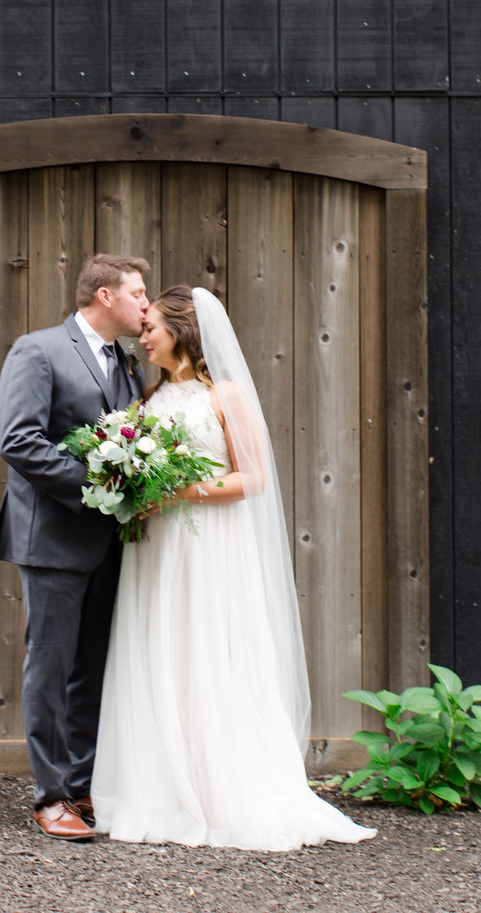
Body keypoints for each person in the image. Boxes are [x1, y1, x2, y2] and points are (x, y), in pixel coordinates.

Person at [92, 284, 376, 852]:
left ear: (182, 331)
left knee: (208, 653)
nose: (142, 337)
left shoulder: (225, 395)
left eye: (151, 328)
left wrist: (179, 491)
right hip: (158, 551)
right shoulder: (148, 399)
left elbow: (253, 478)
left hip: (210, 548)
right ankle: (163, 786)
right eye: (142, 328)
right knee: (161, 653)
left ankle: (223, 788)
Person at [0, 253, 150, 841]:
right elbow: (19, 440)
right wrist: (98, 490)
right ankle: (49, 795)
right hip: (54, 536)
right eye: (137, 293)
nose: (145, 305)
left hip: (112, 544)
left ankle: (81, 787)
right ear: (105, 296)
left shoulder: (127, 365)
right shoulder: (39, 350)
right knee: (50, 668)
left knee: (92, 670)